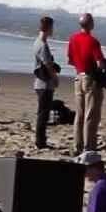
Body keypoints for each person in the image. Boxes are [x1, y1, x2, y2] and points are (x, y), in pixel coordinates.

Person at [68, 13, 106, 154]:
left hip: (78, 76)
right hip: (90, 78)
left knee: (79, 113)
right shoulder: (92, 41)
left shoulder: (73, 39)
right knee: (90, 114)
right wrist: (102, 68)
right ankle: (88, 145)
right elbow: (100, 63)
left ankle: (77, 145)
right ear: (90, 24)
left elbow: (71, 59)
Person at [33, 16, 60, 149]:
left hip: (39, 81)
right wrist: (55, 77)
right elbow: (47, 64)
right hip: (44, 83)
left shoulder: (37, 42)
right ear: (49, 28)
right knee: (43, 113)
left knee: (42, 112)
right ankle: (40, 141)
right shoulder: (43, 45)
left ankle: (40, 139)